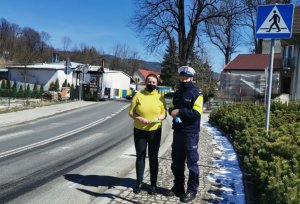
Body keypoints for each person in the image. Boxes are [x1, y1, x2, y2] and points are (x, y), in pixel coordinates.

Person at [166, 66, 203, 203]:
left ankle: (192, 190)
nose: (184, 79)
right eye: (182, 76)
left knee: (192, 163)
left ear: (191, 78)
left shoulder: (197, 94)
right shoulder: (177, 93)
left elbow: (197, 113)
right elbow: (171, 108)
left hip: (191, 133)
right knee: (177, 161)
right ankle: (178, 187)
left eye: (187, 77)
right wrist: (171, 112)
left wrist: (179, 112)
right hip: (178, 132)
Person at [128, 73, 167, 195]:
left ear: (157, 84)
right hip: (140, 130)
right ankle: (139, 183)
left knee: (153, 157)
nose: (151, 84)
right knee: (140, 156)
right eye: (149, 82)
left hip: (155, 131)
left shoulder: (160, 97)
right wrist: (139, 119)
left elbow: (164, 113)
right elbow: (131, 112)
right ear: (146, 82)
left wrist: (159, 117)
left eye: (154, 82)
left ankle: (153, 185)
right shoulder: (138, 95)